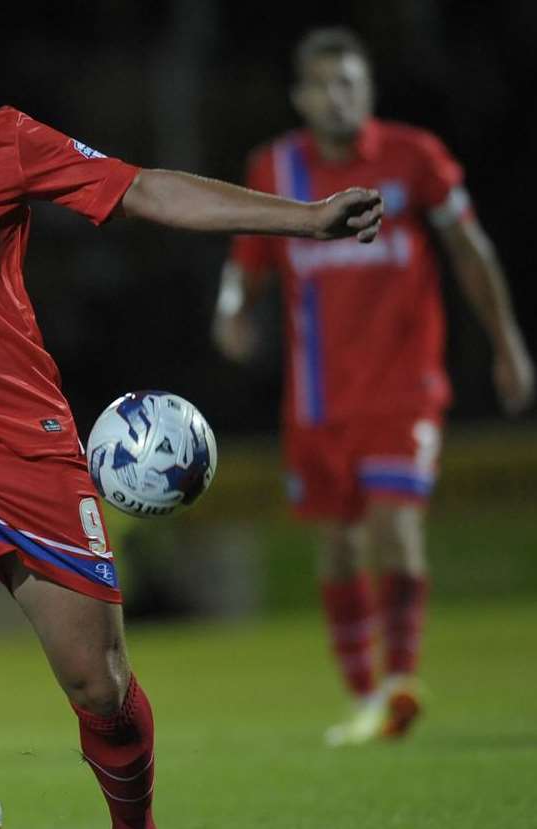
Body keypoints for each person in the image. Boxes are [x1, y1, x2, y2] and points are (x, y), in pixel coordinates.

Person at [0, 2, 384, 826]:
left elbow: (145, 189)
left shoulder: (8, 140)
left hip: (25, 444)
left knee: (103, 690)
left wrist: (302, 219)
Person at [212, 27, 534, 747]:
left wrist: (507, 342)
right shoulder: (275, 167)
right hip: (319, 397)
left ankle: (398, 682)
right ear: (299, 96)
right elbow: (246, 259)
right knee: (336, 546)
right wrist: (230, 311)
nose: (338, 98)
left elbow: (469, 248)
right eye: (323, 85)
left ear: (369, 91)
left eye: (350, 83)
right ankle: (364, 696)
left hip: (404, 385)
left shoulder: (412, 157)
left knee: (395, 529)